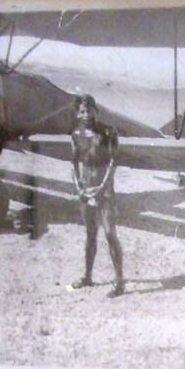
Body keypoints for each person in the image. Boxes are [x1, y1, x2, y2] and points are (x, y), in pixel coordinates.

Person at [70, 94, 125, 297]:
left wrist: (103, 186)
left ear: (96, 110)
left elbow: (113, 162)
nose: (86, 114)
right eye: (82, 111)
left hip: (105, 191)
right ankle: (87, 277)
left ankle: (119, 282)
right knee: (90, 234)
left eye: (89, 109)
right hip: (86, 190)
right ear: (78, 114)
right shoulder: (76, 133)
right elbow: (74, 162)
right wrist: (78, 186)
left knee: (110, 234)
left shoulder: (109, 131)